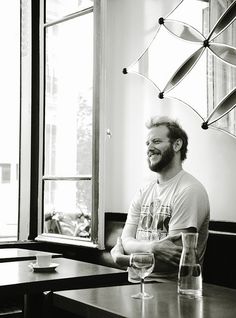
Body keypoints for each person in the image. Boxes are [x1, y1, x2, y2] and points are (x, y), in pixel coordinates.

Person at [111, 116, 210, 279]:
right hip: (136, 287)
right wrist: (153, 247)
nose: (149, 148)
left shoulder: (189, 190)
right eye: (147, 143)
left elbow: (173, 261)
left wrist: (124, 259)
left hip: (173, 292)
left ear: (177, 144)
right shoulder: (144, 191)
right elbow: (125, 241)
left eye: (156, 141)